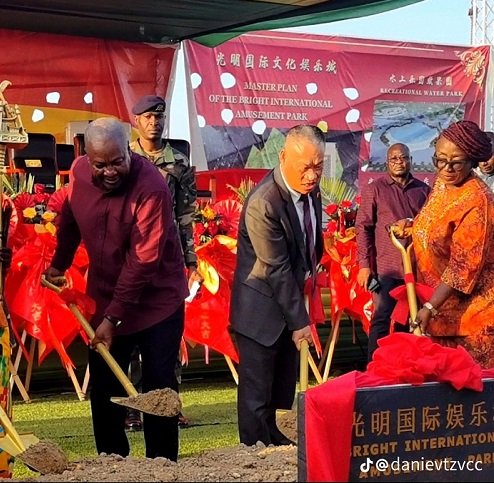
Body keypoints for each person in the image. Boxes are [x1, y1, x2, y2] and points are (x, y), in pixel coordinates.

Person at [43, 117, 188, 460]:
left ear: (130, 151)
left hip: (157, 302)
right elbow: (68, 224)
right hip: (105, 296)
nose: (109, 171)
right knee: (105, 388)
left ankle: (162, 466)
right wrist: (58, 265)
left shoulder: (152, 187)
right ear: (87, 158)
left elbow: (143, 261)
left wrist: (113, 319)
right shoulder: (78, 174)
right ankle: (111, 464)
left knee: (157, 389)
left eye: (117, 162)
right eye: (100, 164)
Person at [230, 124, 324, 446]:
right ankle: (253, 457)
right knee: (256, 397)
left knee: (277, 391)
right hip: (260, 312)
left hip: (289, 303)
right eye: (305, 167)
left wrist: (312, 275)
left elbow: (312, 242)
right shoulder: (264, 203)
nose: (312, 175)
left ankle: (274, 445)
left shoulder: (313, 192)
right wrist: (301, 322)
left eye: (318, 166)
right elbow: (276, 267)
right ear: (283, 156)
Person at [392, 120, 494, 368]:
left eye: (456, 162)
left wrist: (429, 306)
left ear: (471, 162)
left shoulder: (478, 201)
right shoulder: (442, 184)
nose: (446, 168)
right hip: (437, 313)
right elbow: (434, 222)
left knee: (471, 401)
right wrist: (412, 226)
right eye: (440, 159)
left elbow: (462, 268)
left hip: (471, 321)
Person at [129, 95, 200, 429]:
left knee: (169, 336)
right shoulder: (125, 158)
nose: (154, 123)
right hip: (133, 256)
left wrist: (192, 260)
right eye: (147, 117)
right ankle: (131, 407)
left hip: (168, 259)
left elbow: (186, 215)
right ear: (136, 121)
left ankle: (169, 404)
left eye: (159, 117)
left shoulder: (180, 162)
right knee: (129, 335)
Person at [355, 143, 430, 362]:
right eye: (394, 159)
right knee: (381, 319)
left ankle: (404, 368)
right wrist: (364, 265)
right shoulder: (375, 189)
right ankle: (373, 369)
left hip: (416, 269)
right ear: (387, 163)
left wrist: (411, 223)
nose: (399, 162)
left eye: (403, 158)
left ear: (410, 160)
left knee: (411, 318)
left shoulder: (423, 190)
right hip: (386, 269)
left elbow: (430, 225)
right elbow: (363, 228)